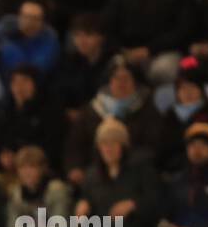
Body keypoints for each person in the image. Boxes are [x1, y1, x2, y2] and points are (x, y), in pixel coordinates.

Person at [74, 117, 161, 227]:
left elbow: (158, 203)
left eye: (113, 143)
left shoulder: (142, 170)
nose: (108, 148)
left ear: (123, 146)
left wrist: (134, 205)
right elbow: (85, 205)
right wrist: (82, 207)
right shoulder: (92, 176)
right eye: (104, 144)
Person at [64, 56, 162, 186]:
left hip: (134, 173)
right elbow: (75, 144)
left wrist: (122, 163)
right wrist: (75, 167)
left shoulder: (148, 108)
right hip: (94, 173)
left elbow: (153, 145)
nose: (121, 83)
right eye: (116, 78)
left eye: (126, 78)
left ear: (135, 81)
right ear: (109, 81)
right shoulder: (92, 109)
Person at [108, 0, 196, 86]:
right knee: (113, 69)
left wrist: (150, 49)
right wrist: (122, 51)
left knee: (163, 70)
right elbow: (110, 25)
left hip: (166, 52)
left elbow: (184, 30)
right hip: (128, 51)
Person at [0, 64, 65, 178]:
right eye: (15, 82)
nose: (19, 87)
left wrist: (23, 159)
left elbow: (53, 150)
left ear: (36, 84)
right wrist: (1, 160)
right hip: (10, 173)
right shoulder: (5, 113)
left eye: (25, 81)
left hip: (41, 174)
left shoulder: (51, 112)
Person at [156, 58, 208, 176]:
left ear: (201, 91)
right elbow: (163, 146)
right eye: (183, 88)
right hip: (174, 167)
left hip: (206, 164)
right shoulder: (170, 115)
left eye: (192, 87)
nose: (187, 92)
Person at [6, 146, 73, 227]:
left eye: (31, 167)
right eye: (22, 168)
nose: (26, 173)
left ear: (43, 169)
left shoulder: (56, 190)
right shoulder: (16, 194)